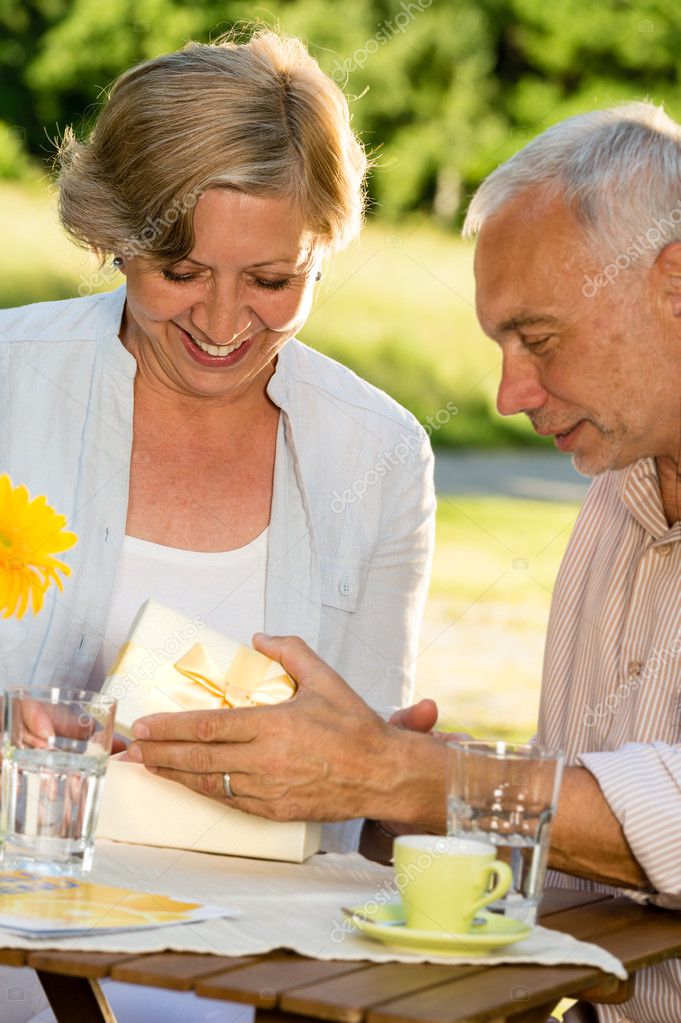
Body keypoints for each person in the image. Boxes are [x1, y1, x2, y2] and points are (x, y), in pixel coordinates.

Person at [132, 102, 681, 1023]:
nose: (509, 395)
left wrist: (412, 777)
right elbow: (592, 860)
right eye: (500, 346)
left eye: (538, 339)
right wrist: (400, 798)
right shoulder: (615, 502)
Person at [0, 29, 435, 1023]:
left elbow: (362, 806)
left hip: (266, 992)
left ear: (323, 251)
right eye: (181, 270)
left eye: (275, 282)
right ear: (115, 235)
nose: (225, 322)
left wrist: (393, 774)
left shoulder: (379, 452)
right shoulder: (5, 384)